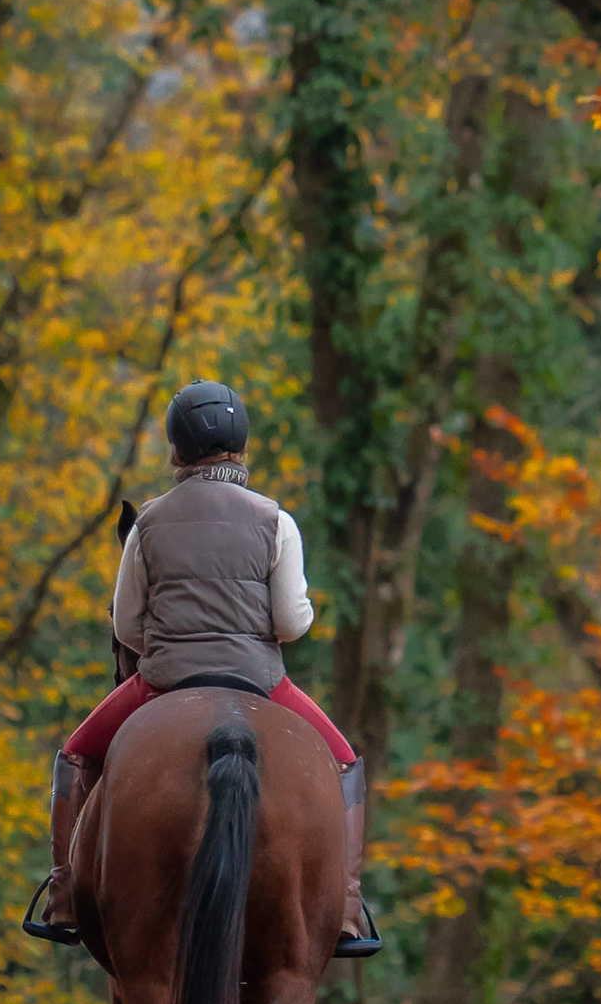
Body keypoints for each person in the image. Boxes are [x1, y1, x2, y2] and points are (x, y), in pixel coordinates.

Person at [24, 378, 380, 957]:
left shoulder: (147, 525)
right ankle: (343, 908)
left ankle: (64, 896)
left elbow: (127, 628)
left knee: (74, 753)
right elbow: (290, 622)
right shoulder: (276, 521)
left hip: (162, 679)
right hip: (261, 680)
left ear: (176, 449)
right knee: (343, 761)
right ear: (241, 444)